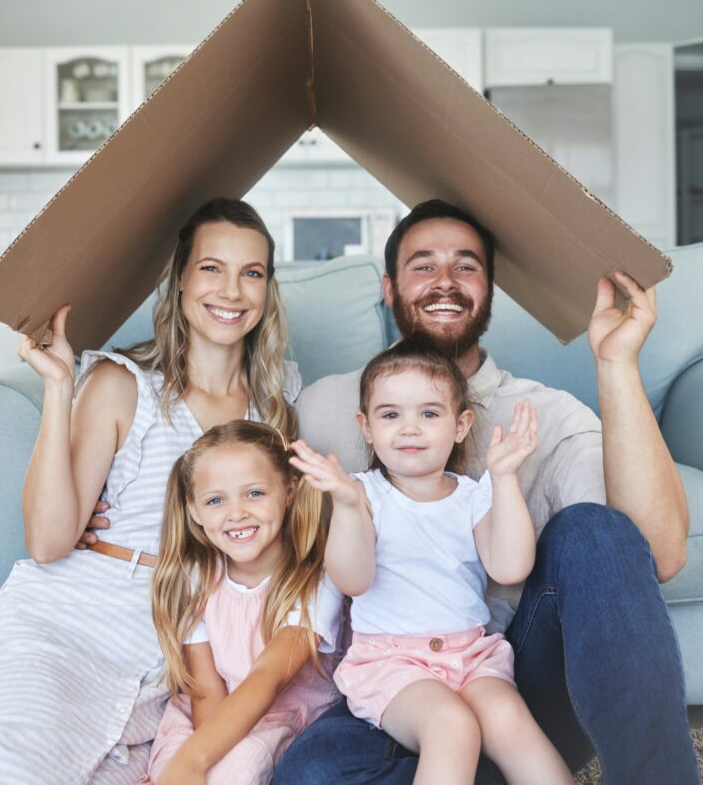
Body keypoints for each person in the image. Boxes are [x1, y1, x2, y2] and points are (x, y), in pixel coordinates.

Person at [275, 199, 697, 783]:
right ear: (389, 289)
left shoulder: (540, 415)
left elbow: (661, 552)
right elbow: (249, 506)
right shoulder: (326, 406)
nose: (444, 280)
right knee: (307, 775)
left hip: (504, 676)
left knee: (594, 530)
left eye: (466, 266)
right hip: (386, 681)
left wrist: (617, 363)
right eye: (423, 265)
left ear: (490, 289)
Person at [0, 198, 301, 785]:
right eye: (212, 268)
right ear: (180, 280)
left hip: (176, 647)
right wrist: (59, 388)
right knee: (2, 770)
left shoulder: (275, 408)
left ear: (268, 288)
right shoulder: (121, 383)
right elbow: (49, 543)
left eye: (251, 273)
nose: (231, 291)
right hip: (73, 620)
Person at [290, 339, 572, 784]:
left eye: (429, 413)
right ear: (366, 427)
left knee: (510, 722)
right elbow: (353, 579)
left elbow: (510, 567)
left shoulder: (474, 495)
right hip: (391, 662)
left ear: (461, 426)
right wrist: (345, 506)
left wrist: (504, 479)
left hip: (472, 656)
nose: (409, 428)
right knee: (451, 726)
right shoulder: (363, 494)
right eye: (390, 415)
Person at [141, 420, 342, 785]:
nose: (237, 513)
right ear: (194, 511)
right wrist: (194, 761)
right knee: (170, 770)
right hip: (211, 715)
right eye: (216, 500)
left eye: (254, 493)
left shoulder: (315, 578)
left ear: (289, 491)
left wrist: (199, 761)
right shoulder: (197, 578)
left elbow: (269, 677)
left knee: (239, 768)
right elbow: (206, 690)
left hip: (280, 718)